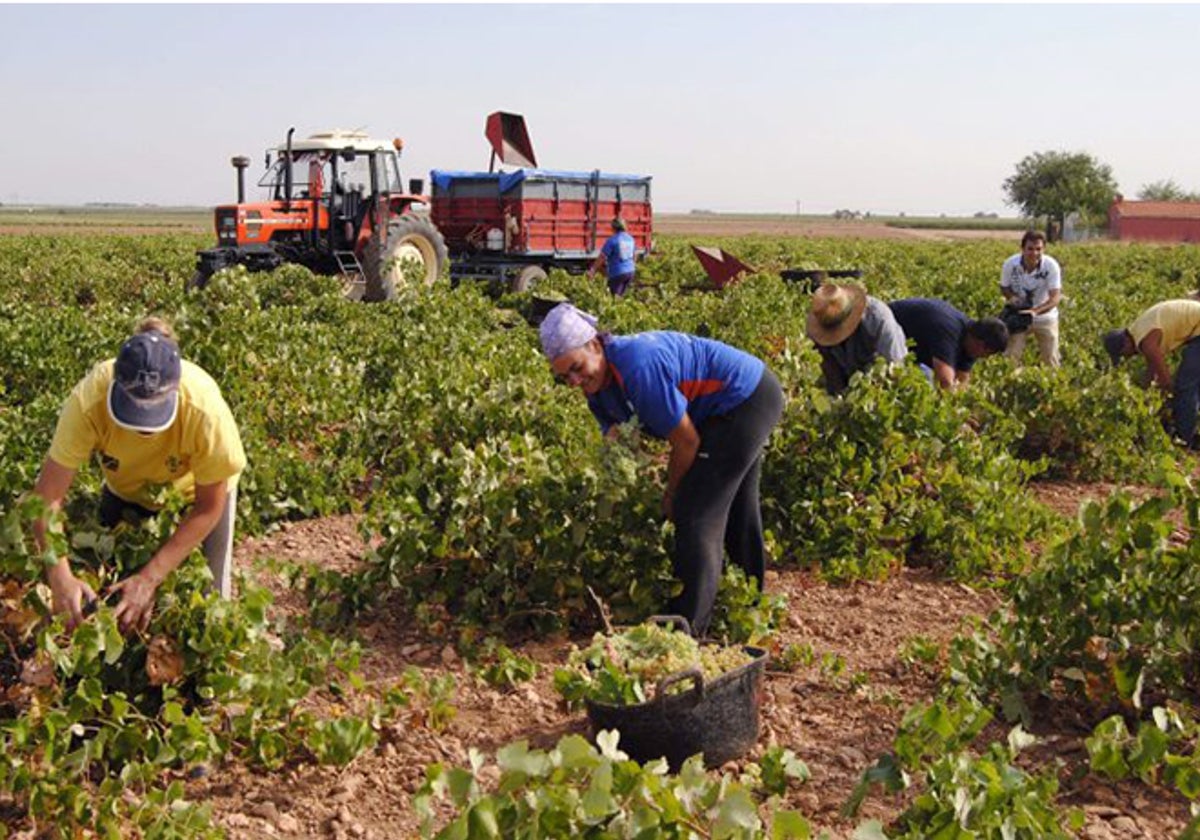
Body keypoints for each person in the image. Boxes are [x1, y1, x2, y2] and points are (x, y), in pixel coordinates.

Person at [539, 303, 784, 637]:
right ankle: (751, 609)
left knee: (695, 513)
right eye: (564, 376)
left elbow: (686, 442)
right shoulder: (596, 390)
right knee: (736, 504)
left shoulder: (639, 367)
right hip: (718, 411)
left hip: (746, 399)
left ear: (595, 345)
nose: (574, 380)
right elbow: (621, 439)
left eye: (577, 368)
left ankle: (688, 632)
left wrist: (670, 492)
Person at [31, 318, 246, 634]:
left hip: (193, 498)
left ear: (175, 390)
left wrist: (151, 577)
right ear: (116, 384)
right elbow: (47, 499)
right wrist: (59, 576)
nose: (144, 427)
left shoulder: (204, 410)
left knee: (212, 602)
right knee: (105, 587)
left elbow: (208, 507)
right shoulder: (89, 400)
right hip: (125, 489)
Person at [1104, 299, 1200, 448]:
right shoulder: (1139, 332)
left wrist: (1161, 405)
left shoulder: (1147, 343)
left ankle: (1184, 441)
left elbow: (1166, 381)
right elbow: (1152, 373)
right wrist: (1143, 396)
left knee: (1184, 388)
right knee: (1191, 384)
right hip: (1196, 330)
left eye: (1124, 354)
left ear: (1126, 343)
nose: (1127, 357)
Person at [806, 282, 907, 395]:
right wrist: (841, 396)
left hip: (880, 382)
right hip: (852, 383)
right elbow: (831, 370)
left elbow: (895, 369)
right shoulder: (821, 321)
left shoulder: (877, 319)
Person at [889, 298, 1009, 390]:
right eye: (986, 354)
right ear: (981, 345)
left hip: (910, 348)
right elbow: (945, 381)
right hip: (884, 333)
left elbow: (961, 380)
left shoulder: (971, 341)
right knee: (913, 383)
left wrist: (964, 409)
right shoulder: (949, 333)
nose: (984, 358)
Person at [1001, 230, 1063, 367]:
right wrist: (1012, 298)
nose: (1034, 253)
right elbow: (1004, 287)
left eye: (1038, 249)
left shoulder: (1051, 266)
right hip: (1019, 317)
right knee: (1011, 356)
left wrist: (1035, 311)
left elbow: (1055, 297)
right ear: (1022, 249)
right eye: (1030, 249)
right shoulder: (1010, 264)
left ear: (1044, 249)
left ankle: (1052, 386)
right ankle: (1010, 384)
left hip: (1046, 317)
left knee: (1051, 359)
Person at [588, 218, 637, 297]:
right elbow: (634, 256)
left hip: (618, 273)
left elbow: (602, 257)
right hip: (630, 272)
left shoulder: (612, 240)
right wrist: (631, 267)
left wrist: (593, 269)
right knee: (621, 295)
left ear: (613, 228)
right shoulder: (630, 239)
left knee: (613, 297)